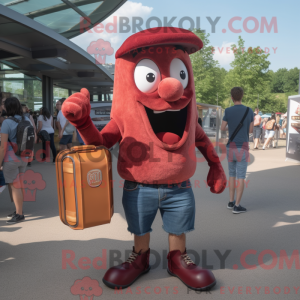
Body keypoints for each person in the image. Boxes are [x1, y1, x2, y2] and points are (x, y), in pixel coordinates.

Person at [221, 87, 254, 214]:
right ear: (242, 96)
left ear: (232, 97)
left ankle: (230, 201)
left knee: (232, 174)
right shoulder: (248, 110)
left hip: (230, 147)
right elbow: (251, 130)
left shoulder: (228, 110)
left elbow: (223, 128)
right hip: (243, 147)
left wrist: (232, 125)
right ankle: (237, 205)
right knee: (241, 176)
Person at [0, 97, 30, 224]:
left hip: (11, 159)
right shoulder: (26, 119)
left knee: (15, 186)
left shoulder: (7, 122)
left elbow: (3, 146)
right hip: (24, 156)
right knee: (19, 185)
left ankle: (19, 214)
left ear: (7, 108)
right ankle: (19, 210)